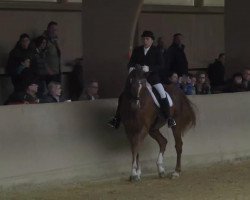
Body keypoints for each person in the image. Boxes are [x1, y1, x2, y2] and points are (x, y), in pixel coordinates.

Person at [108, 30, 176, 129]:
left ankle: (169, 118)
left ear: (152, 41)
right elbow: (131, 62)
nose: (145, 41)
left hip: (152, 78)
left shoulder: (157, 51)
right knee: (123, 95)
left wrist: (150, 68)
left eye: (147, 39)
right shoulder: (137, 50)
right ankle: (116, 118)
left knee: (161, 93)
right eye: (143, 39)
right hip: (139, 78)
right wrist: (131, 68)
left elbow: (161, 65)